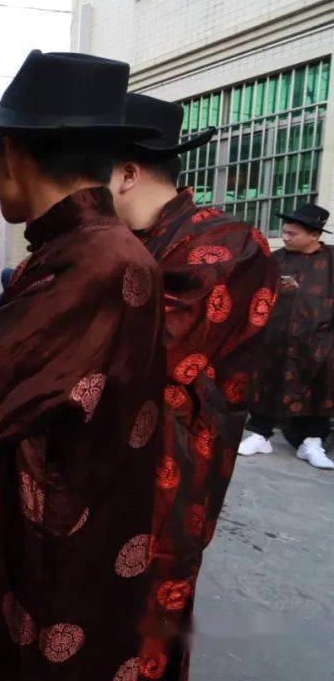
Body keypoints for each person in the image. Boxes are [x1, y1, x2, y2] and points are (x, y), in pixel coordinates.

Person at [0, 51, 165, 680]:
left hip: (44, 558)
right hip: (53, 537)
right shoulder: (84, 251)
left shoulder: (94, 264)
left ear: (15, 157)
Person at [107, 93, 279, 678]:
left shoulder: (228, 245)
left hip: (166, 481)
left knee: (144, 634)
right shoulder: (121, 242)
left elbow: (142, 355)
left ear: (127, 173)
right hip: (93, 479)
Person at [239, 203, 334, 470]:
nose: (286, 237)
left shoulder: (331, 260)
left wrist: (301, 291)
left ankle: (312, 443)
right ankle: (260, 434)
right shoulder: (276, 259)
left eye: (293, 234)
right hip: (275, 338)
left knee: (320, 390)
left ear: (314, 235)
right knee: (267, 383)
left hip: (320, 341)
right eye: (285, 232)